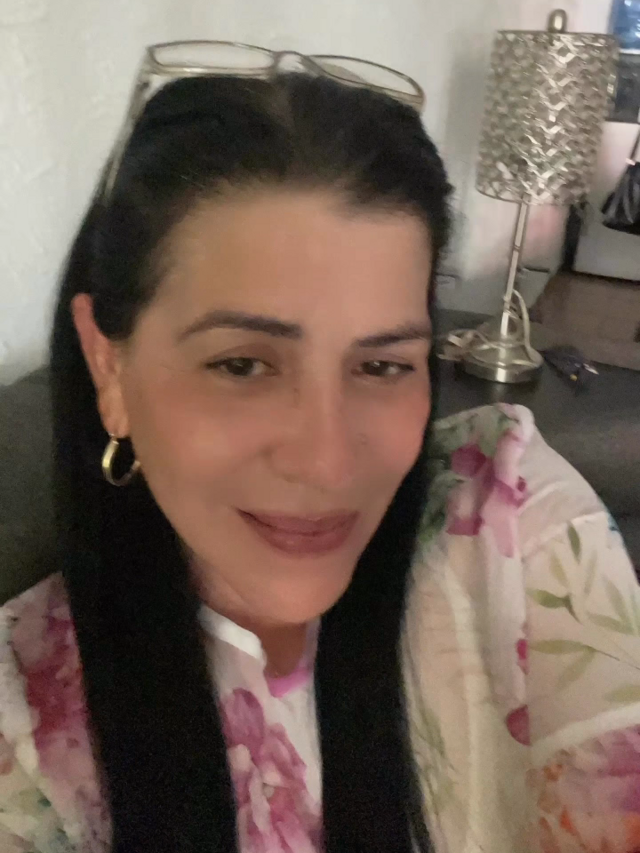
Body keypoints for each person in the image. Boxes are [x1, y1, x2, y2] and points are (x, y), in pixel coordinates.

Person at [1, 41, 639, 853]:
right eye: (242, 364)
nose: (329, 463)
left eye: (381, 364)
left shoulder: (509, 518)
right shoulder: (26, 732)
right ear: (109, 366)